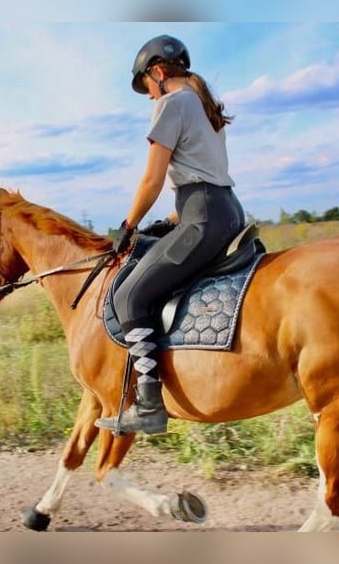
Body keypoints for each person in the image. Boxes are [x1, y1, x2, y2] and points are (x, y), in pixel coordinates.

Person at [95, 35, 245, 435]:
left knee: (129, 295)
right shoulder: (202, 106)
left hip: (202, 218)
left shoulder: (171, 104)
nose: (148, 96)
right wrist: (169, 220)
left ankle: (148, 403)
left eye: (145, 85)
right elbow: (203, 176)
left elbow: (152, 179)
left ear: (158, 73)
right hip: (224, 211)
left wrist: (128, 227)